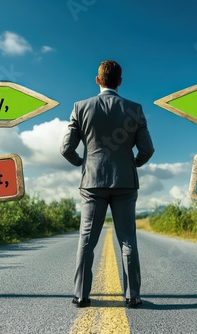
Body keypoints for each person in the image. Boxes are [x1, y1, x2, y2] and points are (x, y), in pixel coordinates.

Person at [60, 60, 155, 308]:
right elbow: (147, 149)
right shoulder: (135, 109)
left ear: (97, 80)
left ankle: (81, 295)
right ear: (120, 82)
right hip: (125, 182)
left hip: (92, 182)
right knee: (127, 240)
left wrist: (83, 162)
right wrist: (131, 163)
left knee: (87, 240)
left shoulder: (80, 108)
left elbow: (65, 148)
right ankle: (132, 296)